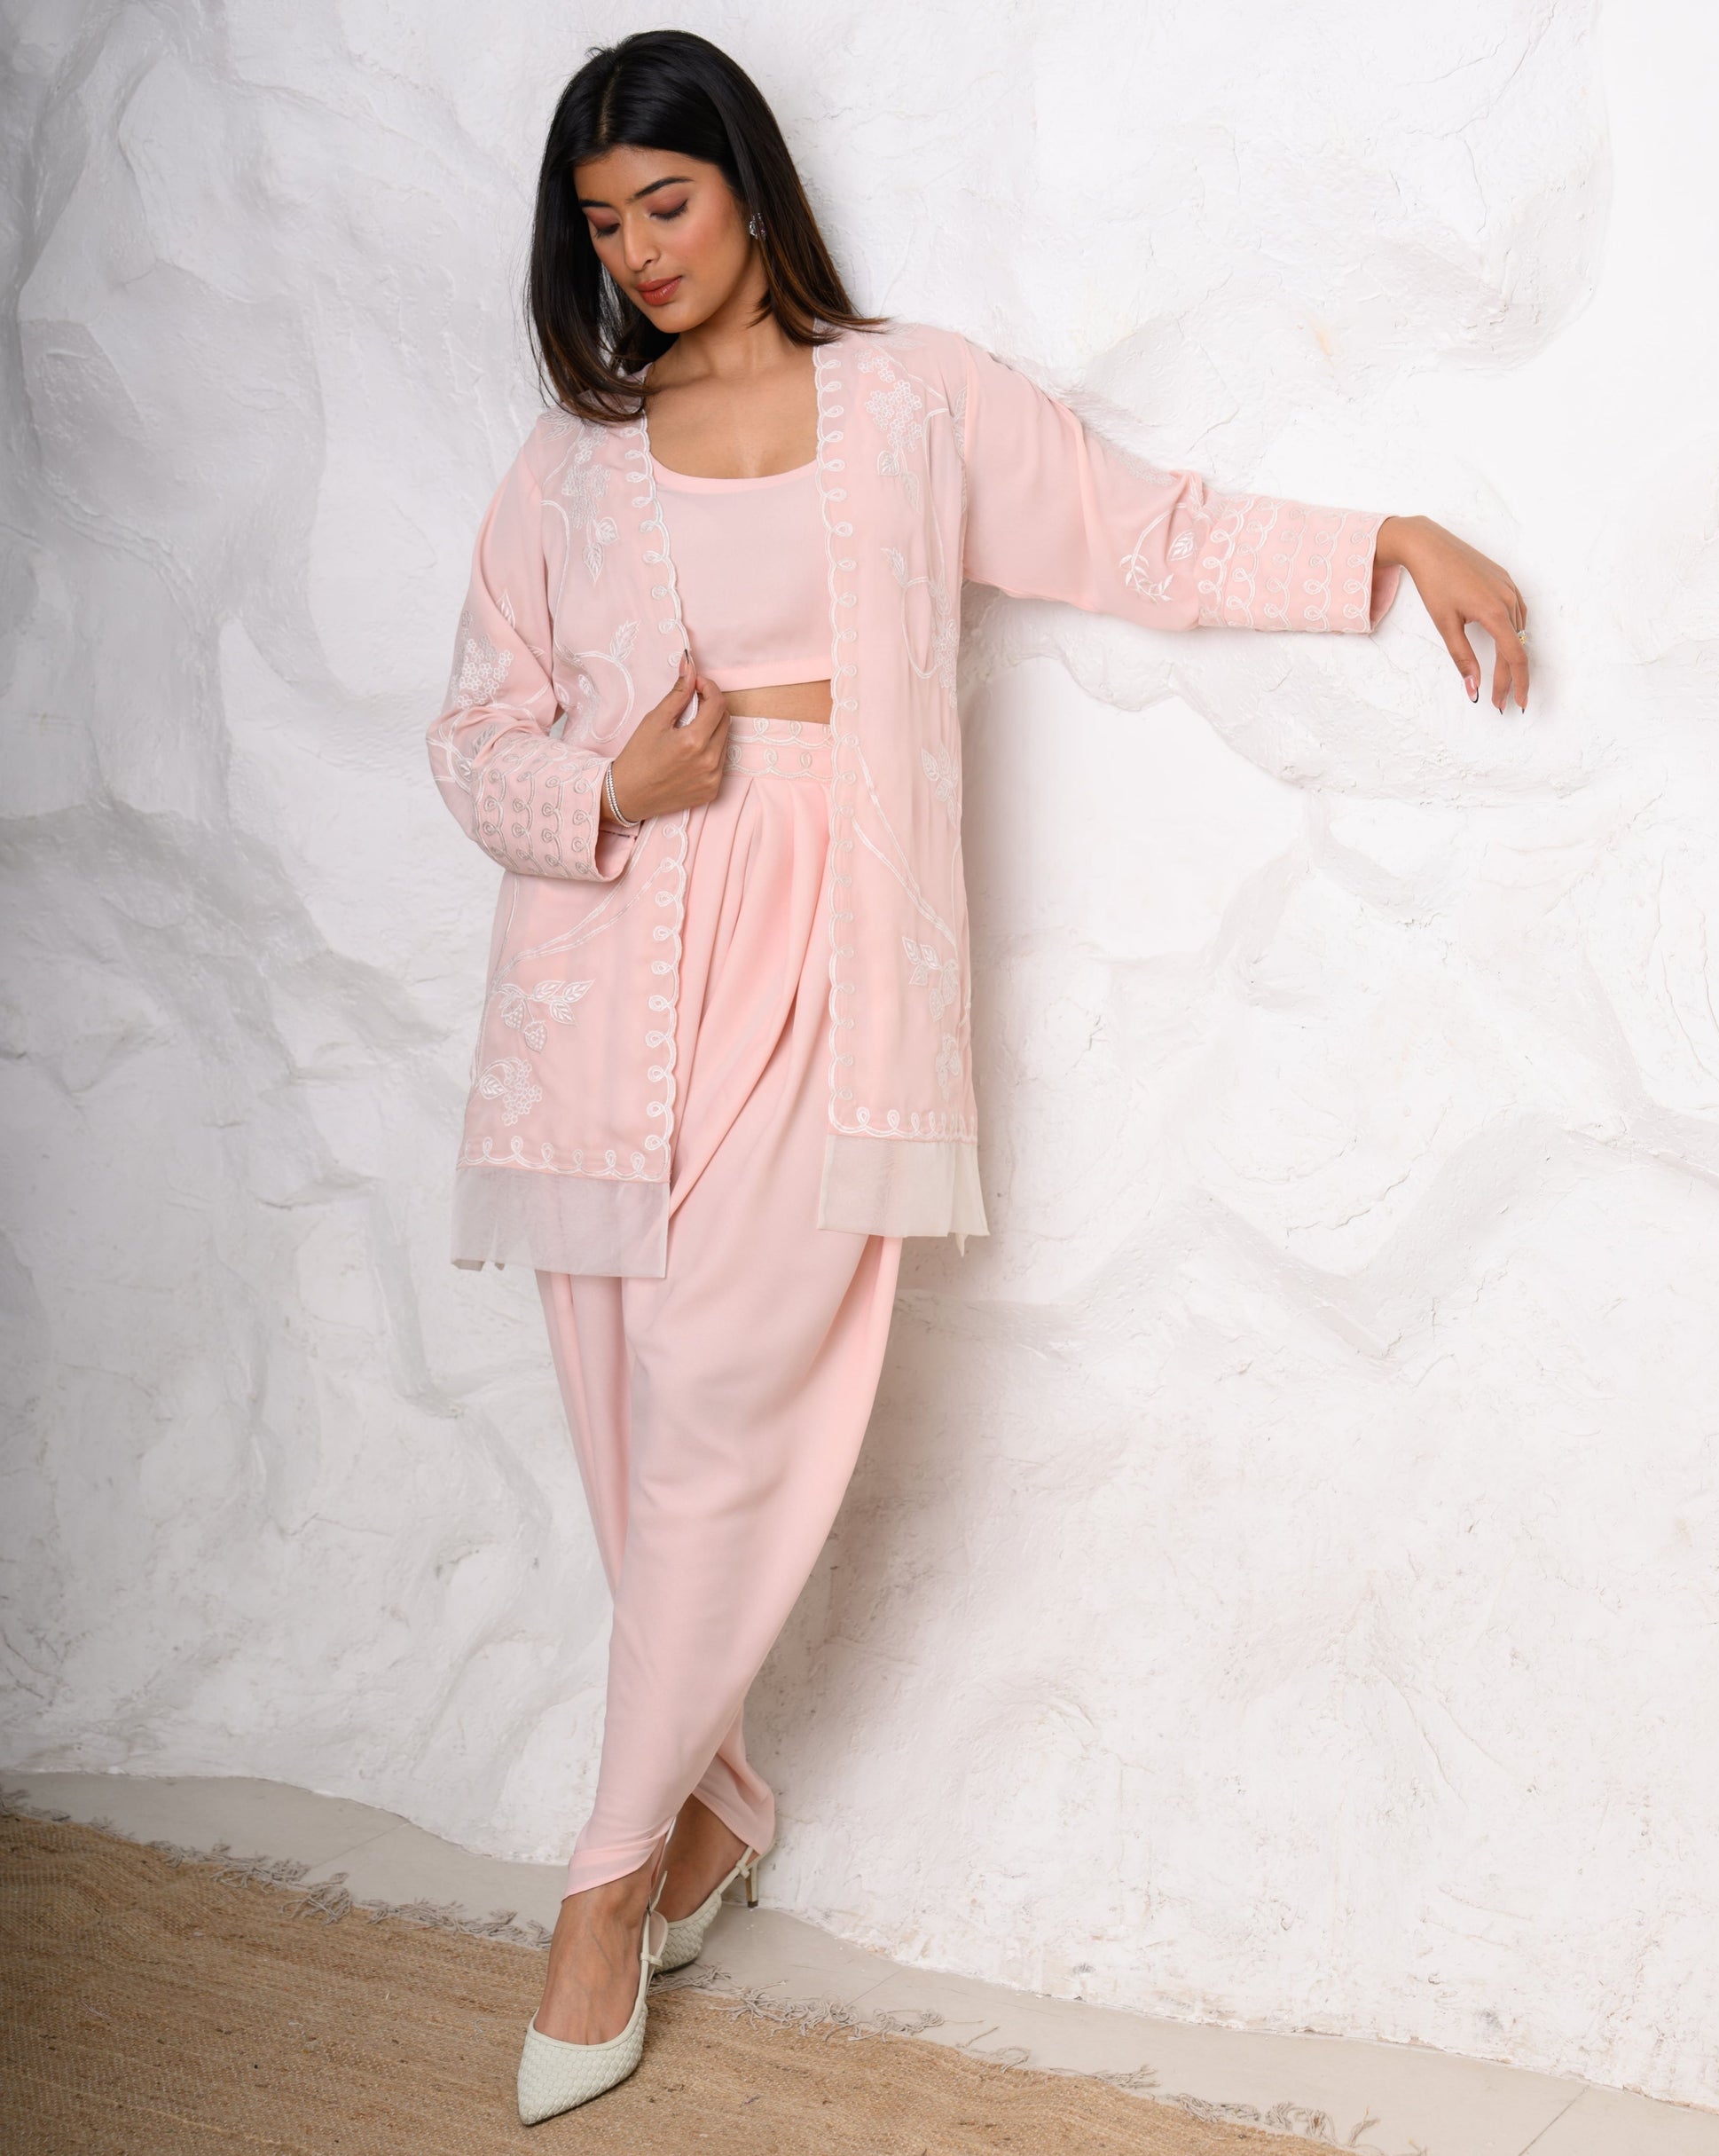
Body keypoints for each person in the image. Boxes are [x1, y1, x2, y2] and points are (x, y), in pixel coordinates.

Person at [424, 28, 1530, 2125]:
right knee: (637, 1430)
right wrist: (605, 788)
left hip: (832, 964)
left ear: (748, 186)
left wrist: (1384, 540)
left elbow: (1143, 533)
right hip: (608, 985)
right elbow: (472, 738)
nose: (639, 252)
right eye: (601, 224)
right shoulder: (569, 465)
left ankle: (599, 1889)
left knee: (721, 1397)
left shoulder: (912, 399)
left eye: (667, 201)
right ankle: (714, 1815)